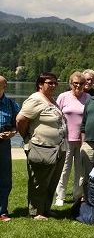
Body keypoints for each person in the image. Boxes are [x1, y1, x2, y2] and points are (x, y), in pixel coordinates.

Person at [16, 72, 67, 220]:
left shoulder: (50, 99)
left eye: (55, 83)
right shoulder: (35, 99)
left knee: (51, 181)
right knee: (39, 181)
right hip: (41, 148)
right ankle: (36, 212)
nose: (53, 85)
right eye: (49, 83)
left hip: (57, 148)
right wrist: (27, 137)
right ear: (40, 84)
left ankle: (45, 208)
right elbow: (20, 120)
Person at [54, 71, 91, 206]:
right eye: (75, 83)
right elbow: (56, 115)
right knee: (64, 168)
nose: (78, 86)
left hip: (82, 139)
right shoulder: (63, 97)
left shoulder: (88, 98)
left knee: (80, 170)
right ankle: (60, 196)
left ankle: (77, 195)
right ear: (70, 84)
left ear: (84, 84)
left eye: (81, 83)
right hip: (66, 139)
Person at [0, 76, 20, 222]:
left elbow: (17, 124)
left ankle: (2, 211)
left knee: (5, 178)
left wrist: (12, 132)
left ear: (5, 86)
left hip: (4, 144)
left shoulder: (11, 104)